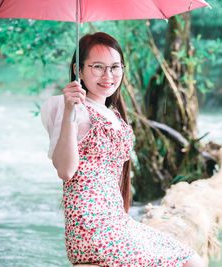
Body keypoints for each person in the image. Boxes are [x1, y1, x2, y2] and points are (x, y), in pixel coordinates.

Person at [41, 32, 205, 267]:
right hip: (92, 227)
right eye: (98, 67)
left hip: (115, 222)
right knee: (191, 263)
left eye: (115, 67)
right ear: (79, 69)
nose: (108, 76)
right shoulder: (73, 109)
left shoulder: (112, 112)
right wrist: (69, 110)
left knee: (191, 259)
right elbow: (65, 171)